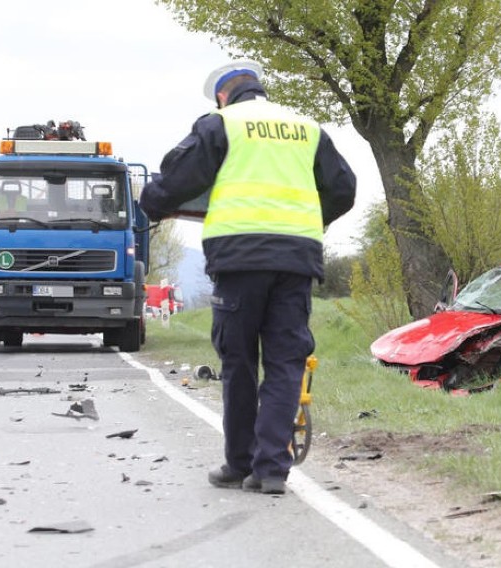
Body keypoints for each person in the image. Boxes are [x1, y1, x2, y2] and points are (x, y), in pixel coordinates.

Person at [139, 59, 356, 495]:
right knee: (284, 362)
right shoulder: (306, 127)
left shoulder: (221, 124)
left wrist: (152, 203)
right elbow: (343, 189)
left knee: (238, 361)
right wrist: (311, 221)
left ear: (223, 94)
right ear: (259, 87)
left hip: (239, 259)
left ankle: (239, 464)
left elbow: (178, 180)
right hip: (295, 260)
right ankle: (272, 469)